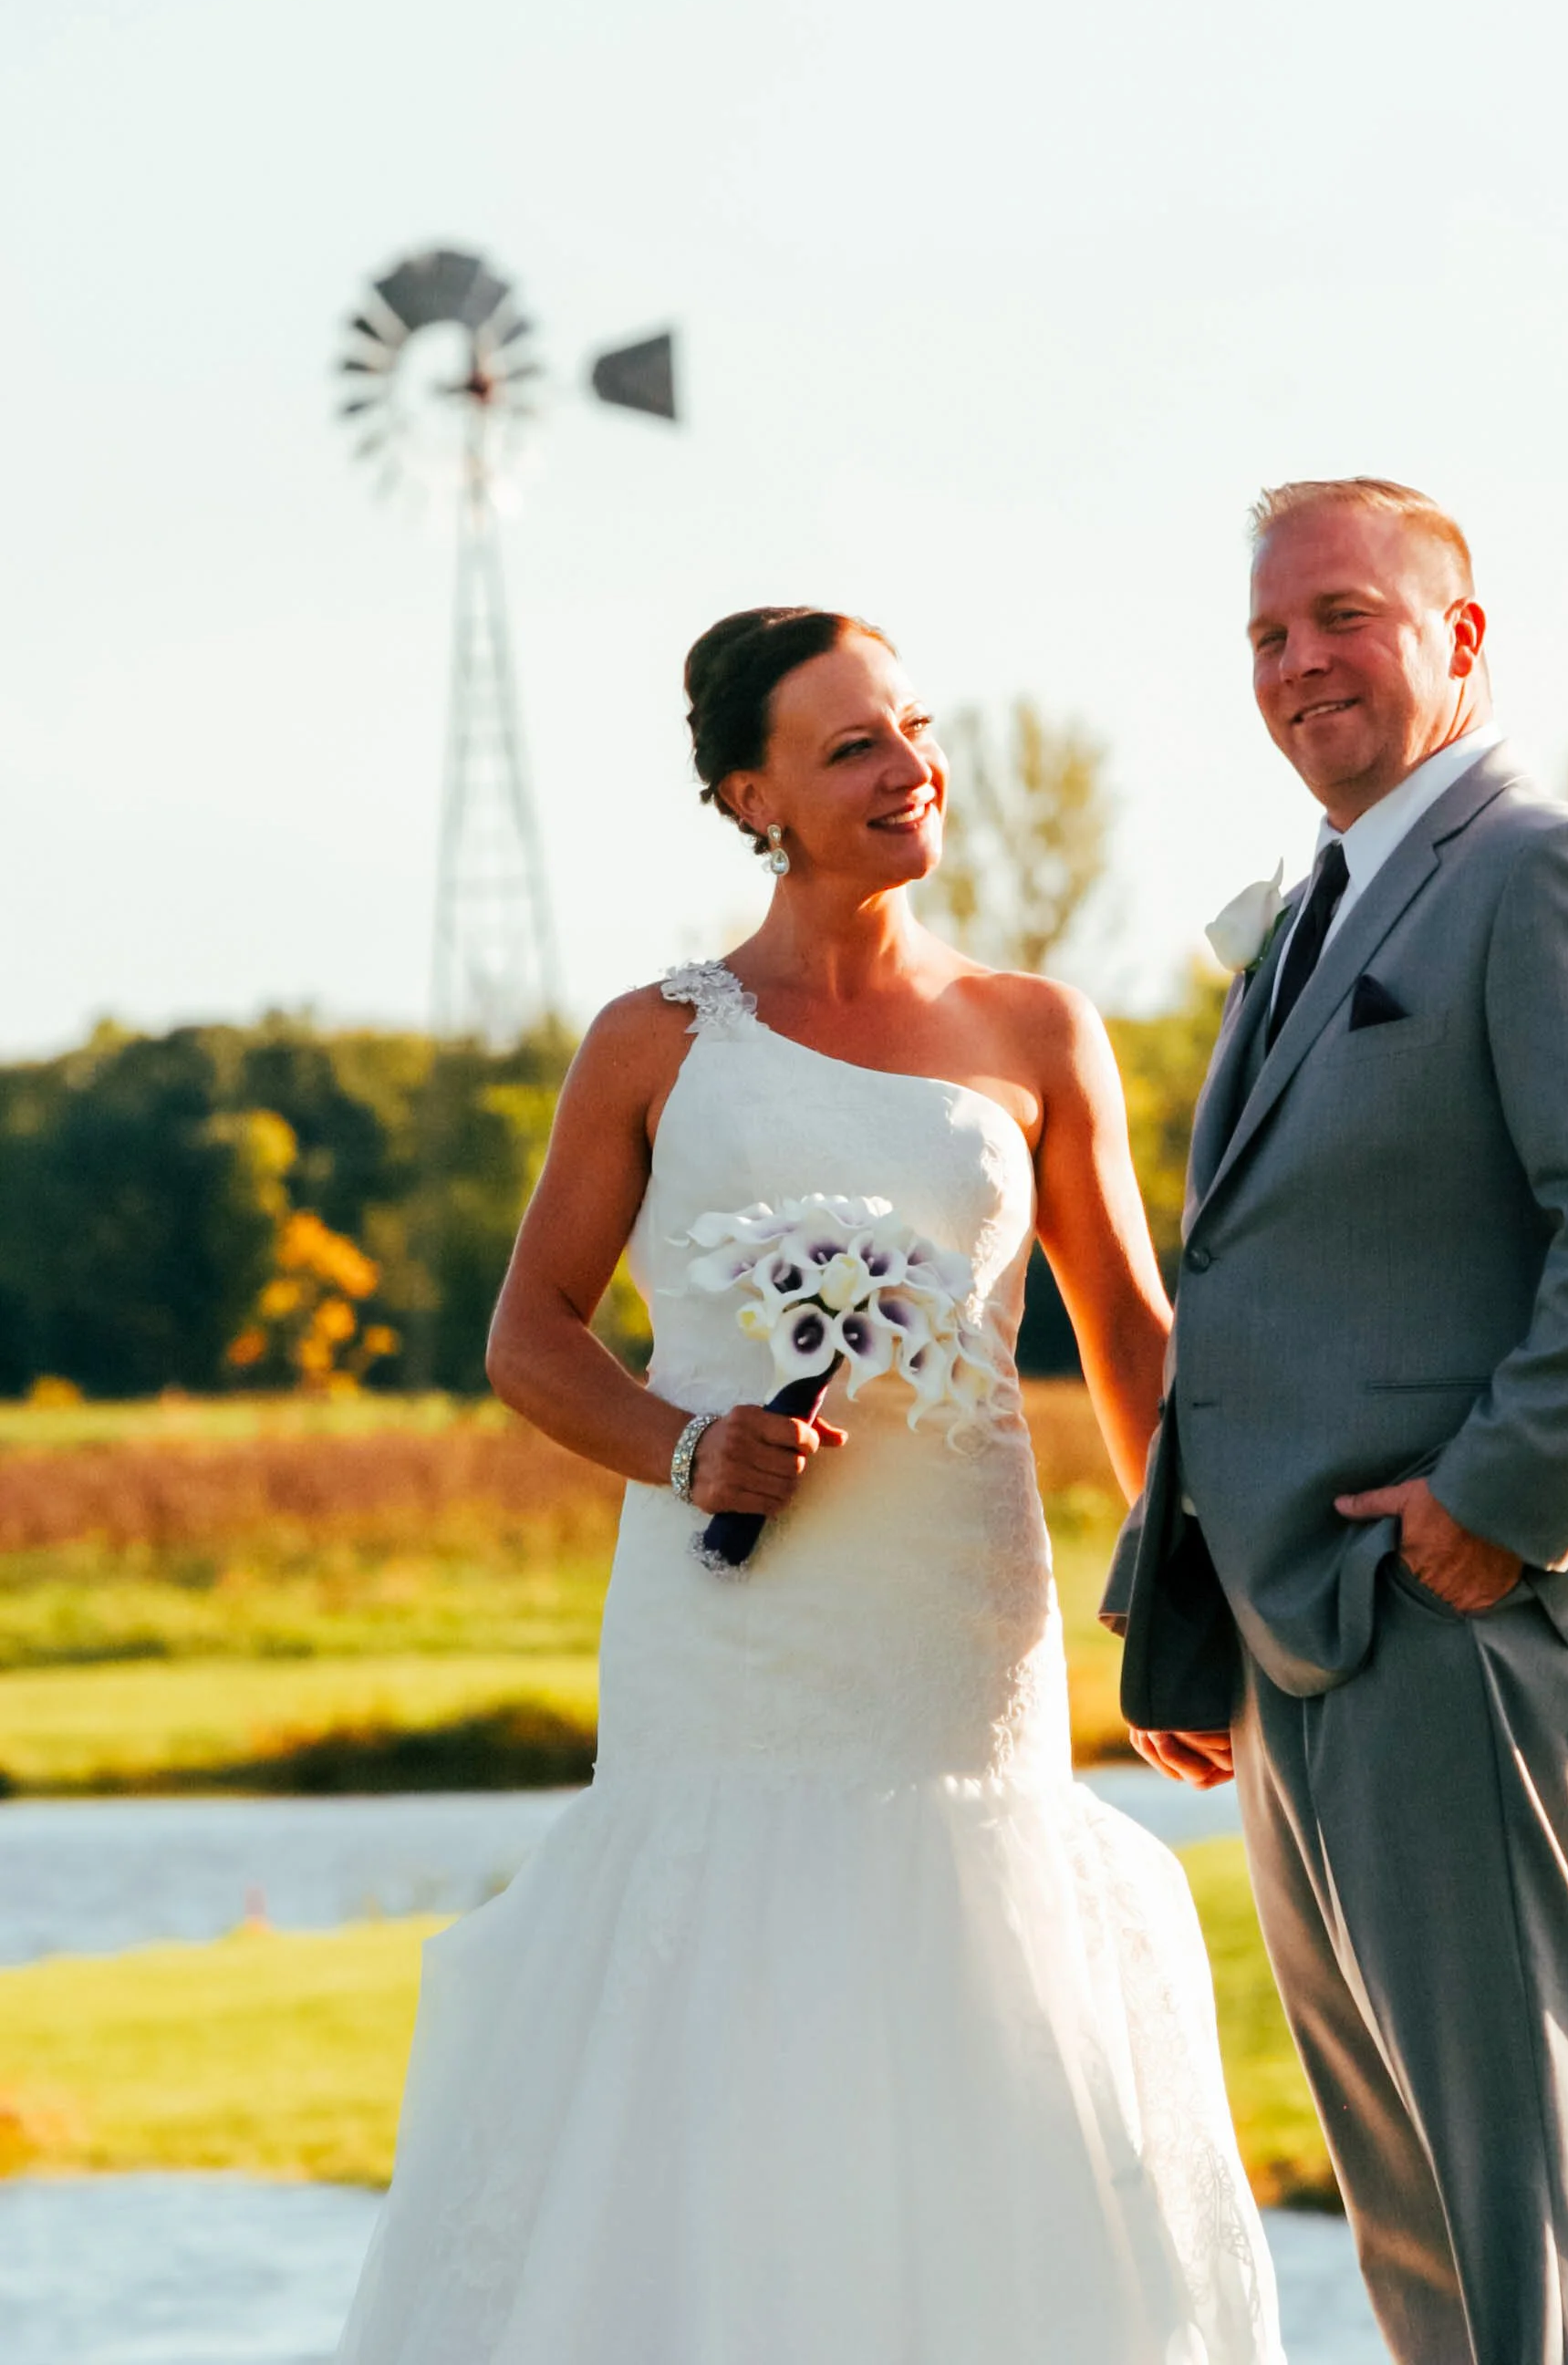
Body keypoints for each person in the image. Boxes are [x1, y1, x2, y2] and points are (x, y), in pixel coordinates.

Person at [337, 607, 1282, 2365]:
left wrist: (1189, 1610)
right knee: (725, 2009)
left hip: (960, 1629)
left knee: (971, 2007)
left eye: (915, 729)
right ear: (747, 793)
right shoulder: (655, 1040)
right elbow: (532, 1336)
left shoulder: (1040, 1030)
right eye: (853, 746)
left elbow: (1131, 1344)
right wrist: (688, 1445)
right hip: (731, 1642)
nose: (910, 768)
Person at [1109, 479, 1568, 2365]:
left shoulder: (1540, 865)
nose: (1298, 661)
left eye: (1341, 615)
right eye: (1265, 634)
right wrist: (1183, 1601)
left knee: (1515, 2188)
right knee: (1409, 2203)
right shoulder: (1324, 908)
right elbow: (1257, 1284)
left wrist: (1493, 1503)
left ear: (1460, 638)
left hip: (1467, 1612)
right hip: (1300, 1626)